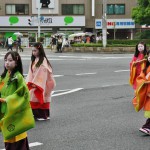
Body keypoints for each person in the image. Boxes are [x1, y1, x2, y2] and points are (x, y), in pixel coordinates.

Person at [0, 51, 35, 150]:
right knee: (8, 135)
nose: (7, 63)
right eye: (5, 60)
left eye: (10, 60)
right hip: (6, 110)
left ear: (16, 62)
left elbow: (22, 94)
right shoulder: (4, 76)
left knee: (18, 135)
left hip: (15, 110)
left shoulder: (18, 77)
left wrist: (7, 100)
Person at [26, 42, 56, 121]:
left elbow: (42, 74)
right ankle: (37, 115)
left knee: (40, 97)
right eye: (32, 51)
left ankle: (42, 115)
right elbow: (30, 72)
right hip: (36, 81)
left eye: (35, 51)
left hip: (42, 83)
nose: (33, 52)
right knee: (34, 97)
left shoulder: (43, 61)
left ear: (40, 50)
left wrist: (35, 83)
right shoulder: (34, 60)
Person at [132, 50, 150, 135]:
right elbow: (140, 78)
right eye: (149, 56)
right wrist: (144, 82)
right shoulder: (146, 68)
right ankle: (147, 127)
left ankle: (147, 127)